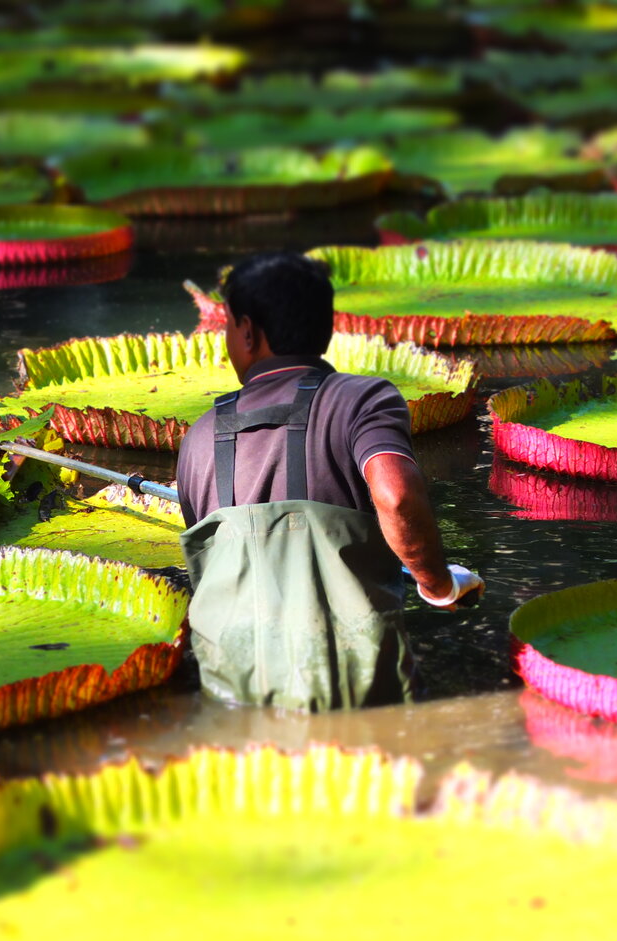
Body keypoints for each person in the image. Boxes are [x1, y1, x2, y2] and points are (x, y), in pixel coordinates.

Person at [176, 251, 483, 711]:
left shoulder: (198, 437)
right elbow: (396, 495)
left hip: (235, 694)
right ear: (325, 324)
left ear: (246, 331)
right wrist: (437, 584)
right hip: (356, 690)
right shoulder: (362, 400)